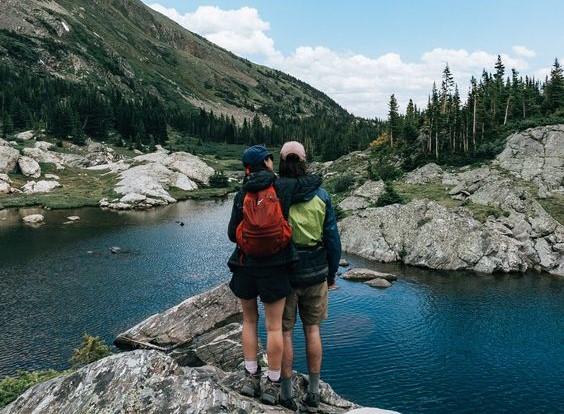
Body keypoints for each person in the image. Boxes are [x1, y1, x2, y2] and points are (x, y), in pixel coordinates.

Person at [227, 144, 298, 405]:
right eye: (270, 158)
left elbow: (231, 233)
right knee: (274, 326)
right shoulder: (280, 189)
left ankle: (250, 377)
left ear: (247, 167)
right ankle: (273, 383)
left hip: (246, 267)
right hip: (275, 268)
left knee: (249, 321)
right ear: (267, 162)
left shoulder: (241, 193)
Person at [277, 141, 341, 412]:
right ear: (305, 161)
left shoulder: (277, 193)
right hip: (316, 272)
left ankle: (286, 392)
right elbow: (332, 240)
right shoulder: (322, 195)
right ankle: (314, 392)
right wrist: (332, 272)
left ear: (281, 161)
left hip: (285, 274)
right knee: (312, 330)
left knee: (284, 332)